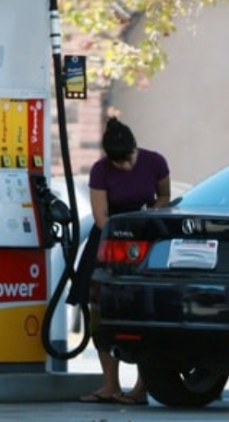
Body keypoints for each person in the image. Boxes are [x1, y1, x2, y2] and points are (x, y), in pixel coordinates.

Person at [73, 116, 171, 404]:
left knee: (144, 310)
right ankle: (109, 384)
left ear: (134, 148)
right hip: (108, 240)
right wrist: (126, 230)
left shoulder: (155, 161)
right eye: (119, 164)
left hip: (145, 238)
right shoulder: (100, 171)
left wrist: (149, 214)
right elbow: (102, 217)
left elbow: (164, 195)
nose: (126, 166)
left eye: (128, 159)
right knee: (99, 311)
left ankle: (142, 387)